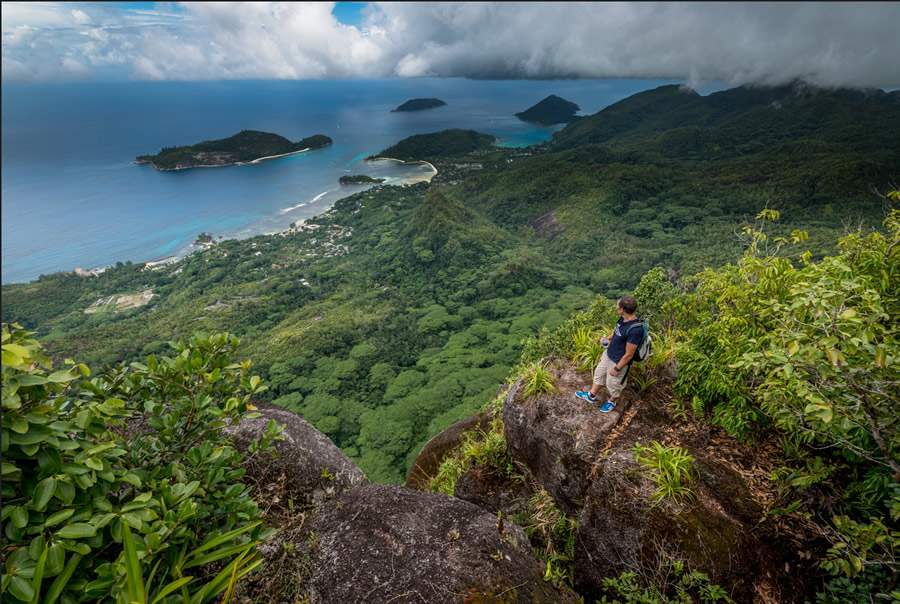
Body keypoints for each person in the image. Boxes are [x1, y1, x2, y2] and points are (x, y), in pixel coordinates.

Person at [575, 296, 643, 413]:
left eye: (618, 306)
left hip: (618, 361)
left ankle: (612, 401)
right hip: (609, 353)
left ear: (622, 309)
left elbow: (629, 354)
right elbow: (617, 331)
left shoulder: (635, 330)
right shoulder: (623, 319)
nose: (616, 308)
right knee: (599, 374)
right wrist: (607, 338)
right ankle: (591, 396)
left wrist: (617, 368)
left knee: (613, 384)